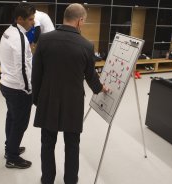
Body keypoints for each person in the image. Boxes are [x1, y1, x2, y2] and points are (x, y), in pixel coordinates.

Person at [32, 3, 109, 184]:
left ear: (64, 17)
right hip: (73, 103)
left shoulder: (44, 40)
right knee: (72, 144)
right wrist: (100, 88)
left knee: (47, 143)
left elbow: (36, 74)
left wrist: (37, 100)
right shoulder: (86, 46)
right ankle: (71, 180)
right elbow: (91, 77)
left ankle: (47, 179)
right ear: (80, 21)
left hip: (48, 99)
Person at [0, 2, 35, 169]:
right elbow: (22, 67)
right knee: (20, 122)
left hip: (7, 84)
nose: (33, 22)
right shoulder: (18, 37)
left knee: (12, 118)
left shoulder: (9, 31)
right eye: (30, 19)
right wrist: (28, 89)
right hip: (18, 88)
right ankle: (12, 158)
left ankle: (10, 148)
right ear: (19, 19)